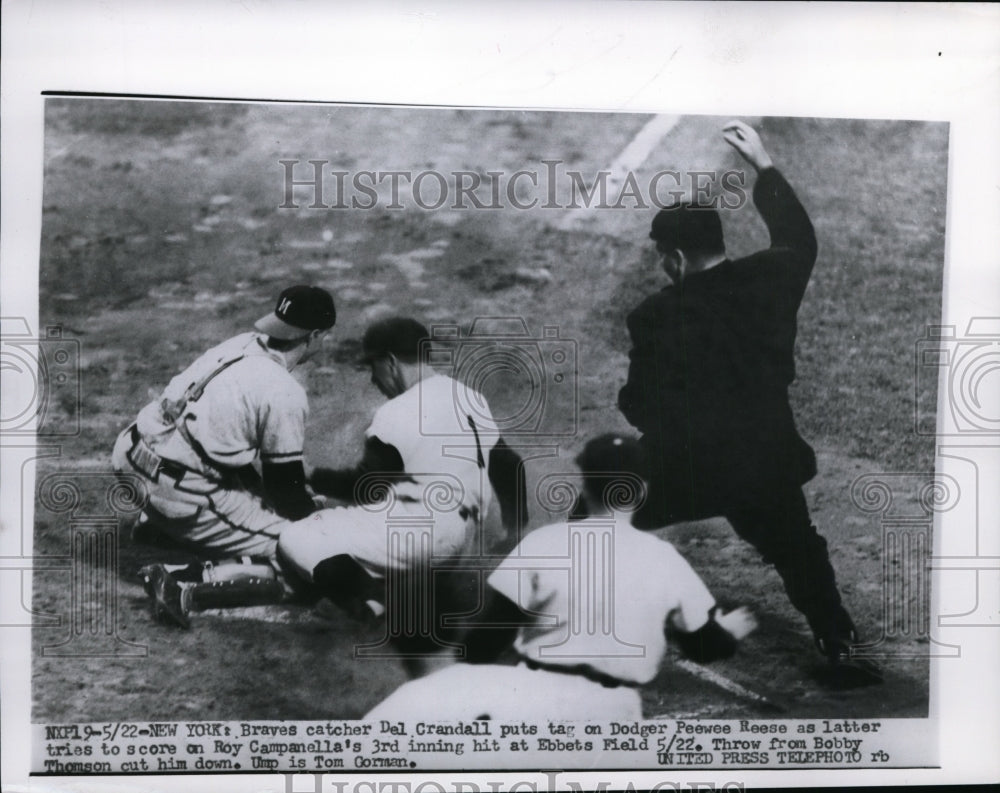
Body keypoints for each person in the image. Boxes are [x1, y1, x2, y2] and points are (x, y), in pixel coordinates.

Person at [616, 120, 881, 686]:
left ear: (676, 257)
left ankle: (564, 620)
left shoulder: (654, 316)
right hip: (765, 460)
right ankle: (839, 641)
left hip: (686, 467)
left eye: (663, 255)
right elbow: (798, 238)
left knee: (595, 515)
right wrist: (763, 164)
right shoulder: (772, 278)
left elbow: (640, 405)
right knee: (798, 549)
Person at [364, 434, 756, 721]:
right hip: (614, 714)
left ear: (585, 488)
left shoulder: (543, 543)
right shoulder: (664, 559)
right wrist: (728, 633)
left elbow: (487, 640)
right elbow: (704, 647)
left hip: (532, 705)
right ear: (641, 492)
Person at [276, 316, 527, 673]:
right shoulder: (468, 396)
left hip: (420, 539)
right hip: (465, 544)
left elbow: (365, 488)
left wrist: (312, 475)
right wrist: (515, 532)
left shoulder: (397, 411)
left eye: (373, 367)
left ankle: (377, 604)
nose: (373, 380)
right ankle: (406, 587)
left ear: (391, 362)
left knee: (300, 534)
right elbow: (510, 465)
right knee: (364, 520)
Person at [111, 285, 336, 627]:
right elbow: (286, 494)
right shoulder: (284, 393)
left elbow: (227, 451)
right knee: (306, 556)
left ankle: (156, 527)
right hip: (174, 492)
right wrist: (319, 523)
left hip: (130, 456)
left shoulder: (241, 343)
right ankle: (180, 582)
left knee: (224, 470)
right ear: (316, 335)